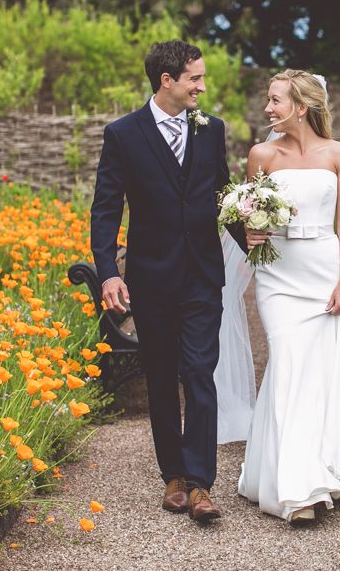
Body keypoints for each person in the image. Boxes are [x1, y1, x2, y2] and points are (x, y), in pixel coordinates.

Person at [90, 40, 246, 523]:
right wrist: (108, 273)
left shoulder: (211, 129)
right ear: (168, 81)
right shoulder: (123, 134)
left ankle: (201, 484)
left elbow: (222, 194)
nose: (202, 86)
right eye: (195, 78)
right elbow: (106, 207)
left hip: (202, 274)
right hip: (151, 277)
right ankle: (172, 477)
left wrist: (256, 244)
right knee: (160, 377)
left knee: (199, 372)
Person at [237, 69, 340, 523]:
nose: (267, 109)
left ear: (301, 107)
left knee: (322, 369)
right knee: (287, 362)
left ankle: (329, 466)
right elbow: (250, 216)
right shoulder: (261, 154)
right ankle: (299, 490)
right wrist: (252, 229)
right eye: (268, 100)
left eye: (275, 100)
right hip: (279, 276)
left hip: (322, 269)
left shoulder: (339, 153)